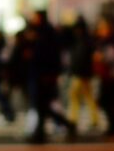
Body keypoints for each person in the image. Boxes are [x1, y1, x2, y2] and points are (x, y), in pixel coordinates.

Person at [22, 11, 76, 144]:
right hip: (41, 74)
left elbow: (49, 56)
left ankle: (40, 134)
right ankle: (61, 126)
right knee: (43, 106)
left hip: (45, 75)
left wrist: (50, 73)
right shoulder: (39, 33)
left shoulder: (47, 34)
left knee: (42, 105)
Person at [93, 18, 114, 140]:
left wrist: (101, 58)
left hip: (113, 76)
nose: (101, 30)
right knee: (106, 102)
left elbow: (112, 58)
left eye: (103, 28)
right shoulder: (101, 42)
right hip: (105, 76)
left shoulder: (113, 42)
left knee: (110, 103)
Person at [67, 18, 100, 131]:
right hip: (83, 73)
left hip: (81, 73)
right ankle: (93, 119)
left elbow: (83, 58)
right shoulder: (83, 40)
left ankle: (73, 119)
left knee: (75, 95)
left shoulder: (84, 40)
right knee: (87, 96)